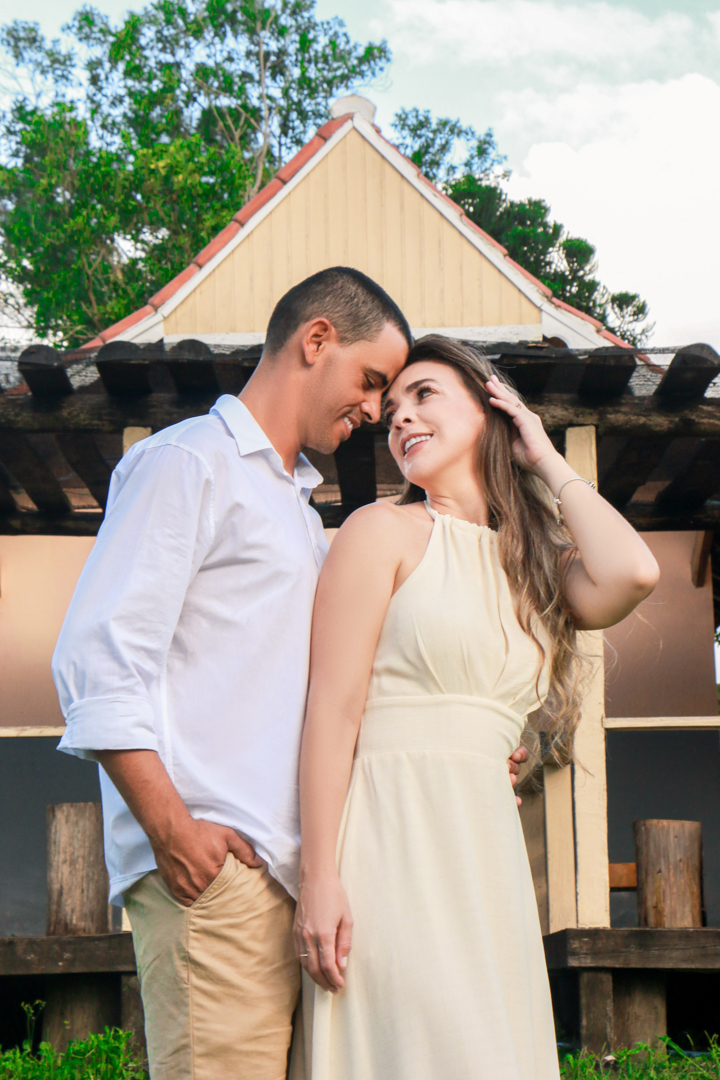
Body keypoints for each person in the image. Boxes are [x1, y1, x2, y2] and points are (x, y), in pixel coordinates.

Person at [51, 271, 526, 1080]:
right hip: (219, 872)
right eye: (372, 381)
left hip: (300, 880)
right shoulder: (188, 463)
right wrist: (174, 832)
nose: (378, 411)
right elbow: (98, 658)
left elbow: (323, 695)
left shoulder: (299, 516)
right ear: (315, 342)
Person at [292, 335, 660, 1080]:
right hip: (389, 840)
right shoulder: (379, 532)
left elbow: (635, 572)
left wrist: (542, 454)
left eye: (424, 395)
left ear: (491, 412)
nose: (399, 419)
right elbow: (331, 713)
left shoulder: (536, 565)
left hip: (485, 855)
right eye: (390, 409)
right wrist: (320, 879)